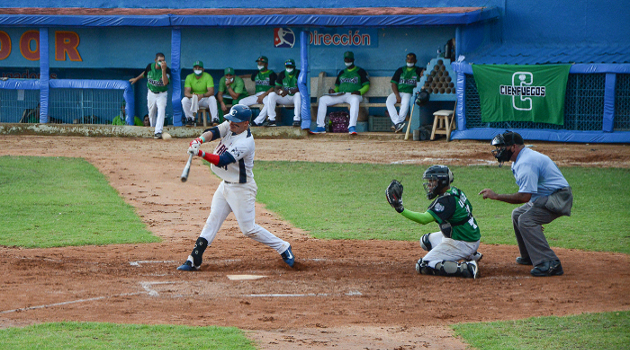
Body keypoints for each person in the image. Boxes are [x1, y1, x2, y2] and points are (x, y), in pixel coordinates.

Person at [177, 104, 295, 271]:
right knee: (213, 220)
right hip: (225, 185)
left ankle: (283, 247)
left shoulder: (246, 142)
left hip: (242, 189)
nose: (231, 124)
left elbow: (223, 160)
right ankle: (194, 259)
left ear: (246, 123)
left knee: (249, 229)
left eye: (236, 123)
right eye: (230, 121)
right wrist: (199, 140)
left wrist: (201, 153)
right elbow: (214, 131)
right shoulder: (231, 125)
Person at [479, 131, 573, 277]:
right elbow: (529, 195)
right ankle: (530, 255)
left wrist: (496, 196)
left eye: (501, 147)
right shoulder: (521, 159)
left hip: (559, 197)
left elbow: (524, 197)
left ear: (513, 147)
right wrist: (536, 212)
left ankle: (550, 263)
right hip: (546, 196)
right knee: (518, 214)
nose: (498, 151)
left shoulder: (526, 162)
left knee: (527, 220)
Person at [386, 165, 482, 279]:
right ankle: (471, 254)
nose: (429, 185)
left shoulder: (446, 201)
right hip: (467, 234)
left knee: (423, 265)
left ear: (442, 182)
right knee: (425, 241)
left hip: (463, 241)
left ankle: (467, 268)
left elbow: (424, 219)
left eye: (432, 181)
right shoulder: (456, 191)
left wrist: (400, 209)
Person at [311, 51, 370, 135]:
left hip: (354, 95)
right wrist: (334, 91)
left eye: (349, 58)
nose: (347, 60)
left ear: (353, 59)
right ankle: (320, 126)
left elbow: (367, 85)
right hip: (341, 94)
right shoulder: (342, 72)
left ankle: (352, 127)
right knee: (323, 99)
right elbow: (337, 87)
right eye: (346, 58)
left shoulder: (360, 71)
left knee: (355, 100)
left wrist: (359, 92)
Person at [130, 52, 171, 139]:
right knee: (151, 113)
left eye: (163, 61)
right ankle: (153, 128)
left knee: (161, 110)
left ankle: (158, 131)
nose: (162, 62)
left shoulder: (167, 69)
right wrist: (136, 79)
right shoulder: (150, 66)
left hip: (161, 94)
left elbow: (165, 83)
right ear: (155, 60)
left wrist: (163, 70)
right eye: (160, 60)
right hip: (151, 93)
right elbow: (144, 74)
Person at [254, 58, 301, 127]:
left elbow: (302, 88)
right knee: (272, 95)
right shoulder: (282, 74)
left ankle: (297, 120)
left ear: (294, 67)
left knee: (298, 94)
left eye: (290, 67)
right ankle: (271, 120)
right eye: (287, 67)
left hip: (295, 98)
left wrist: (288, 91)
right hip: (286, 97)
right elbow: (276, 87)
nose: (289, 68)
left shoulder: (299, 73)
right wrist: (279, 91)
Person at [387, 53, 424, 133]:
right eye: (408, 59)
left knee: (405, 103)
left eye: (412, 59)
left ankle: (398, 124)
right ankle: (398, 122)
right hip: (399, 92)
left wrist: (423, 72)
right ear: (406, 60)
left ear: (415, 61)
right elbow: (393, 84)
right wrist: (397, 95)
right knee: (389, 101)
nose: (410, 60)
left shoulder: (418, 70)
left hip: (409, 93)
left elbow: (424, 76)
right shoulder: (400, 70)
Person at [238, 56, 277, 126]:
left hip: (267, 95)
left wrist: (263, 95)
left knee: (268, 104)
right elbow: (251, 76)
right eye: (259, 63)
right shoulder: (256, 73)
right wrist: (241, 76)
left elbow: (273, 88)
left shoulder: (271, 74)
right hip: (257, 95)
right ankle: (244, 121)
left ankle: (257, 121)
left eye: (261, 64)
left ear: (266, 64)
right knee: (241, 102)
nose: (259, 65)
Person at [181, 60, 219, 126]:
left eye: (199, 68)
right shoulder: (189, 77)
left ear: (203, 69)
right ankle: (190, 119)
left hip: (204, 99)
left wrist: (202, 95)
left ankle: (215, 119)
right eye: (196, 68)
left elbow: (211, 91)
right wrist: (192, 95)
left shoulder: (207, 76)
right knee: (184, 100)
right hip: (194, 99)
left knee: (212, 98)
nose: (197, 69)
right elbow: (186, 93)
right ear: (193, 69)